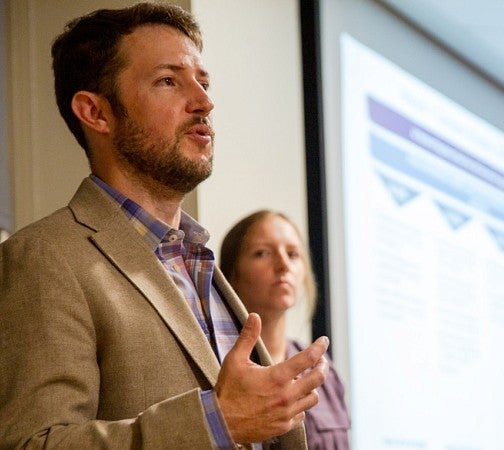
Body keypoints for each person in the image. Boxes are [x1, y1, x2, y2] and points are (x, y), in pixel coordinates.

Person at [0, 3, 329, 449]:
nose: (204, 102)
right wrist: (217, 423)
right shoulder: (45, 257)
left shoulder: (198, 262)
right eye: (168, 81)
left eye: (203, 82)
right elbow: (32, 442)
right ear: (96, 112)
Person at [220, 210, 351, 450]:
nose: (283, 265)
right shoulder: (217, 367)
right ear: (232, 275)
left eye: (293, 254)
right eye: (263, 253)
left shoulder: (324, 371)